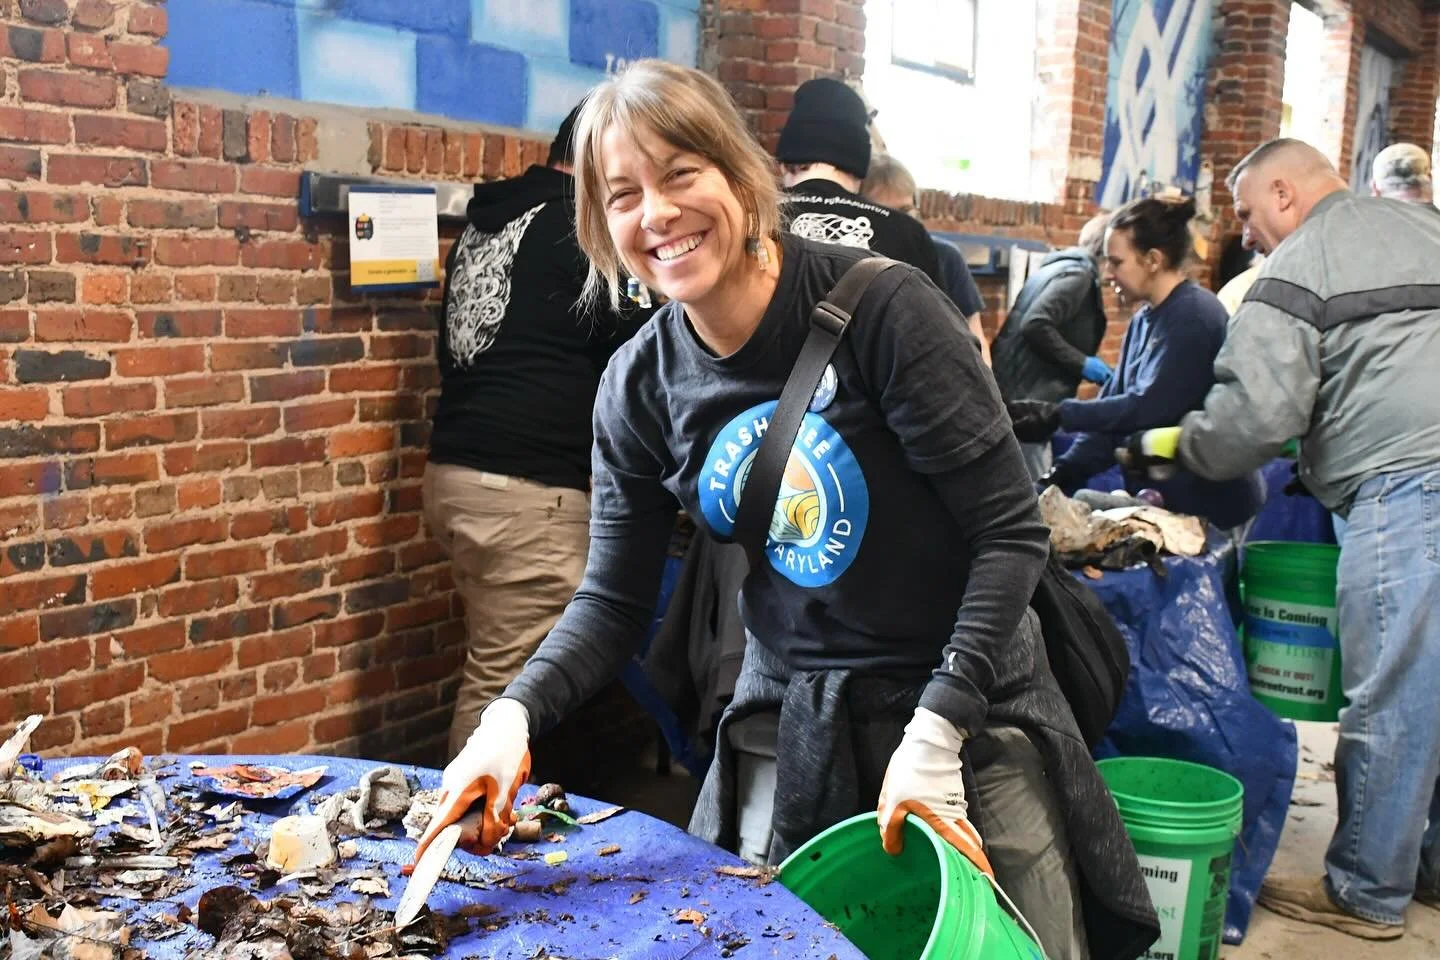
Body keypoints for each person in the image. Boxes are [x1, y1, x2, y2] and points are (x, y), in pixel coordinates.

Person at [413, 60, 1159, 960]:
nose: (657, 212)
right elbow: (611, 602)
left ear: (741, 174)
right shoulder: (639, 384)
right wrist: (512, 716)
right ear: (600, 226)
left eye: (681, 173)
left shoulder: (885, 310)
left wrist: (940, 723)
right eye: (623, 194)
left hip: (968, 708)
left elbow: (1009, 534)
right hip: (793, 717)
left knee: (1011, 944)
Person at [1122, 138, 1440, 941]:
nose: (1246, 233)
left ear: (1285, 193)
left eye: (1250, 212)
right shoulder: (1426, 227)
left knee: (1393, 690)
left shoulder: (1304, 262)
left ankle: (1367, 891)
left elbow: (1249, 426)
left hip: (1407, 486)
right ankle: (1429, 866)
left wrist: (1166, 446)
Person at [423, 103, 648, 757]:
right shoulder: (581, 230)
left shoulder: (490, 221)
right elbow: (645, 343)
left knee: (504, 664)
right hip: (526, 491)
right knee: (505, 688)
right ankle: (465, 845)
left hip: (459, 473)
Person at [1008, 197, 1262, 530]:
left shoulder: (1194, 317)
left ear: (1152, 260)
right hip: (1167, 501)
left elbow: (1148, 408)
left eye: (1116, 262)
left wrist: (1061, 415)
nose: (1107, 273)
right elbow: (1111, 420)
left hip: (1211, 506)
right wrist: (1059, 476)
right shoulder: (1143, 320)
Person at [774, 78, 943, 284]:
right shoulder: (909, 235)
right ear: (860, 167)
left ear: (783, 164)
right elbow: (933, 315)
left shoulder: (752, 219)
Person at [989, 213, 1113, 479]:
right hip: (1028, 399)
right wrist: (1082, 364)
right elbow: (1035, 323)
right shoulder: (1078, 276)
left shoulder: (1055, 267)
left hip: (1015, 390)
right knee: (1034, 492)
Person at [861, 152, 991, 365]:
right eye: (886, 213)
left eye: (905, 211)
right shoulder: (858, 259)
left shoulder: (945, 256)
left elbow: (975, 340)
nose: (899, 223)